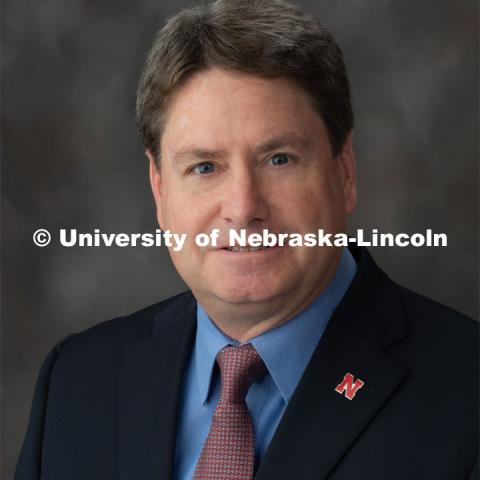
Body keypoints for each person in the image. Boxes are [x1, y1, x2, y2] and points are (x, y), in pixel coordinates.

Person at [14, 0, 478, 479]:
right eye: (205, 167)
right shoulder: (76, 382)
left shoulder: (466, 393)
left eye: (279, 158)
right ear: (159, 188)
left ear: (344, 171)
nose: (243, 207)